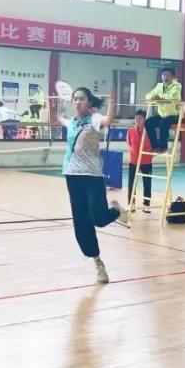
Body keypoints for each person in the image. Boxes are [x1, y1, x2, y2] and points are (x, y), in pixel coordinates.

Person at [61, 87, 126, 283]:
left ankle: (117, 211)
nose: (77, 102)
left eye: (81, 98)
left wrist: (112, 102)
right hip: (72, 175)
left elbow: (109, 120)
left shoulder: (94, 119)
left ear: (89, 102)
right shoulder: (72, 122)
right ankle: (98, 262)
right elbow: (60, 118)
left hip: (92, 175)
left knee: (98, 218)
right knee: (81, 222)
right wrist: (55, 105)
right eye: (75, 99)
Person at [144, 68, 182, 153]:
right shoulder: (159, 86)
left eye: (168, 75)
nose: (165, 77)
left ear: (172, 77)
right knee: (148, 122)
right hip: (162, 115)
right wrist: (152, 97)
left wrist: (159, 97)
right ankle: (155, 146)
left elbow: (171, 96)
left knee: (163, 122)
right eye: (164, 75)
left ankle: (163, 147)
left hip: (175, 115)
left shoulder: (177, 86)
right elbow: (148, 95)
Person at [127, 109, 154, 212]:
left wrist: (150, 155)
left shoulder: (149, 131)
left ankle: (146, 204)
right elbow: (129, 143)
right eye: (136, 118)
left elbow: (154, 145)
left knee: (147, 183)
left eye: (140, 118)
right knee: (131, 183)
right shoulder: (130, 131)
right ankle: (131, 204)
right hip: (133, 162)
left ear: (144, 119)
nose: (138, 120)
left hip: (146, 162)